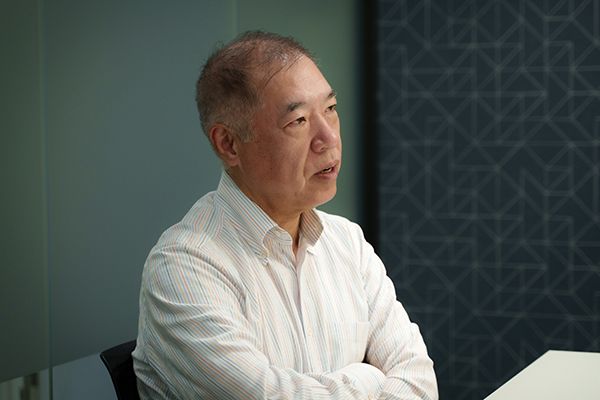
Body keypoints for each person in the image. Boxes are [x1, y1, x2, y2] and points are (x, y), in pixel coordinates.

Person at [132, 31, 438, 399]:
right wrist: (368, 378)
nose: (329, 138)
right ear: (229, 143)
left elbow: (417, 378)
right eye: (298, 121)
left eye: (330, 109)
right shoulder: (183, 268)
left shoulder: (347, 242)